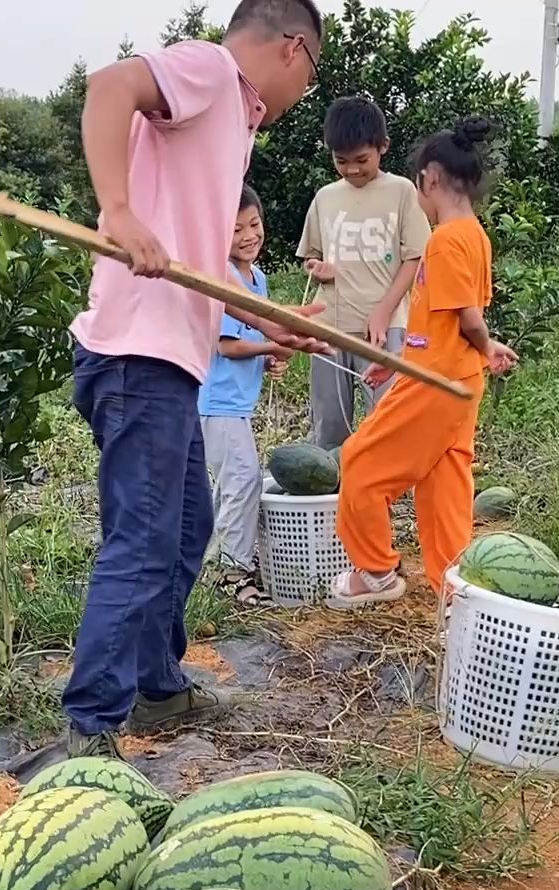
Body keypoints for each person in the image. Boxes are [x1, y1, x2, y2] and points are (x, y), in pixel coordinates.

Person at [57, 0, 331, 760]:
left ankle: (156, 687)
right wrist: (117, 210)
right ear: (293, 50)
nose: (303, 94)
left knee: (184, 529)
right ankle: (92, 725)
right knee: (143, 539)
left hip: (171, 360)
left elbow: (199, 278)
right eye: (310, 76)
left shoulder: (229, 127)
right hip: (136, 359)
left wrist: (265, 327)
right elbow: (111, 85)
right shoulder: (211, 71)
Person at [328, 117, 519, 607]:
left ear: (430, 179)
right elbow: (444, 324)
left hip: (437, 384)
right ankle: (453, 589)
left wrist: (485, 343)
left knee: (361, 463)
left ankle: (376, 570)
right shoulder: (475, 235)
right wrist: (397, 361)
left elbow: (468, 317)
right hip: (454, 379)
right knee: (444, 487)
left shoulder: (447, 240)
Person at [298, 95, 431, 450]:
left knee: (387, 417)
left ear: (382, 147)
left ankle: (380, 492)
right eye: (341, 161)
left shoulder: (402, 192)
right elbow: (310, 257)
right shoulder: (326, 197)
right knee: (329, 421)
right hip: (329, 326)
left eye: (361, 160)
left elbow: (415, 258)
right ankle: (332, 495)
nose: (352, 170)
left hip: (385, 328)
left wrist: (384, 310)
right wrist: (318, 268)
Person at [200, 185, 293, 607]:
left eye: (253, 224)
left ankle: (218, 562)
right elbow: (227, 345)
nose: (248, 236)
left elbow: (255, 336)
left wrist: (271, 359)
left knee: (232, 484)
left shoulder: (259, 279)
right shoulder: (224, 278)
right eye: (235, 230)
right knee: (242, 479)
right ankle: (233, 572)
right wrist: (270, 348)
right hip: (216, 402)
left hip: (235, 403)